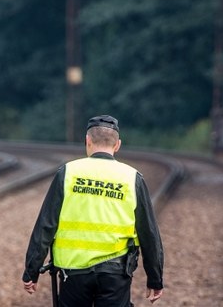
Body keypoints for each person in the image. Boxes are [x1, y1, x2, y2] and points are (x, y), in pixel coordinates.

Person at [22, 115, 164, 306]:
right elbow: (149, 233)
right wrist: (155, 278)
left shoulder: (68, 173)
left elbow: (46, 225)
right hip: (115, 273)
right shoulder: (132, 178)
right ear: (117, 145)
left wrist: (32, 270)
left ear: (87, 141)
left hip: (73, 274)